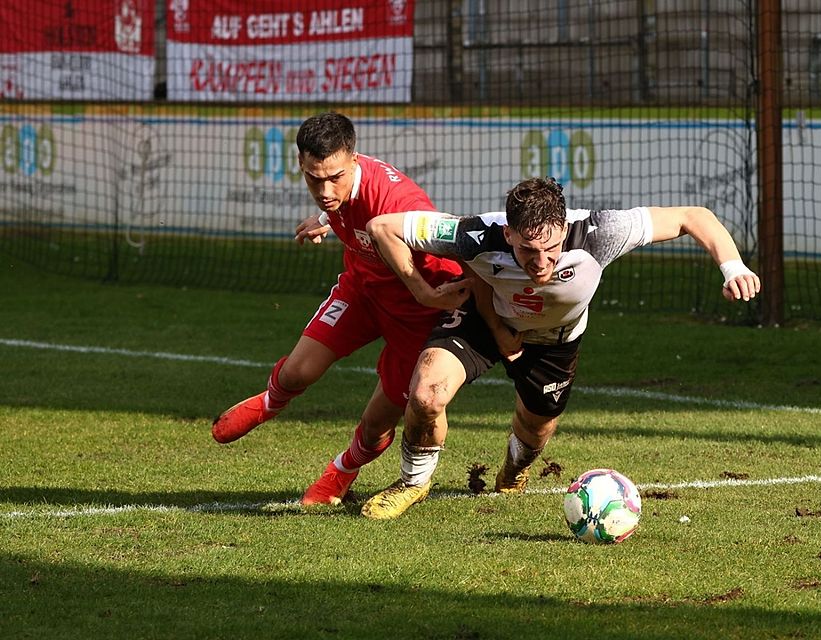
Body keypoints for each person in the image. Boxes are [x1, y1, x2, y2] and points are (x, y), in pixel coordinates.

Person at [360, 177, 761, 519]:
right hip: (483, 321)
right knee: (426, 394)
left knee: (537, 429)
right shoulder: (475, 234)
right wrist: (424, 292)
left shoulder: (599, 231)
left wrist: (734, 267)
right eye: (527, 251)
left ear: (562, 227)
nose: (540, 262)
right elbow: (382, 227)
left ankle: (513, 471)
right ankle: (412, 483)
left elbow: (694, 216)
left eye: (550, 248)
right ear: (510, 233)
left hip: (555, 339)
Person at [212, 112, 471, 505]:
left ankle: (343, 471)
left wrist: (431, 294)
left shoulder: (400, 200)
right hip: (363, 291)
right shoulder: (332, 190)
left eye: (335, 178)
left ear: (354, 160)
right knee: (299, 369)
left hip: (419, 313)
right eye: (315, 179)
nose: (326, 189)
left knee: (374, 426)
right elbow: (340, 205)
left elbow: (453, 238)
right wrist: (324, 219)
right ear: (301, 164)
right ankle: (270, 403)